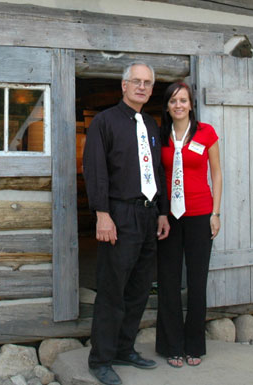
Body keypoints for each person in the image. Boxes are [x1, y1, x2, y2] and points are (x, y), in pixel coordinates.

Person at [83, 62, 170, 385]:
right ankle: (101, 359)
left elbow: (156, 172)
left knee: (139, 288)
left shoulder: (150, 123)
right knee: (112, 290)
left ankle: (124, 348)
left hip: (149, 216)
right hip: (119, 215)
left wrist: (161, 212)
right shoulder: (104, 122)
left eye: (148, 82)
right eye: (136, 81)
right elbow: (95, 169)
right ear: (123, 85)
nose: (142, 87)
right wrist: (102, 213)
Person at [155, 81, 222, 368]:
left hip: (199, 215)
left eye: (183, 100)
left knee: (197, 282)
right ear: (167, 106)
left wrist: (215, 213)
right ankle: (172, 345)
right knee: (169, 282)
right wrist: (159, 213)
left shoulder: (206, 133)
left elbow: (217, 174)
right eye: (173, 101)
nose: (178, 105)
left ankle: (194, 344)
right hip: (169, 218)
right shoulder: (160, 135)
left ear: (191, 104)